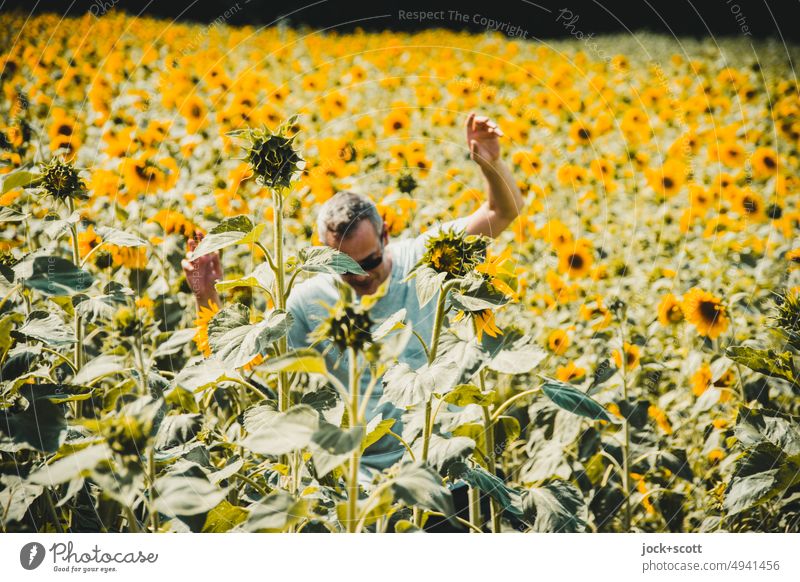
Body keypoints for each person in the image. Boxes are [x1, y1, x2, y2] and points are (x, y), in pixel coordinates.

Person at [182, 112, 525, 529]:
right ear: (326, 256)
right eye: (346, 267)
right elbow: (244, 358)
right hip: (360, 479)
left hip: (438, 457)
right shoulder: (311, 299)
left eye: (371, 261)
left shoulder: (426, 256)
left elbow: (501, 211)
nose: (362, 276)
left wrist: (490, 163)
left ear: (386, 236)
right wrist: (207, 296)